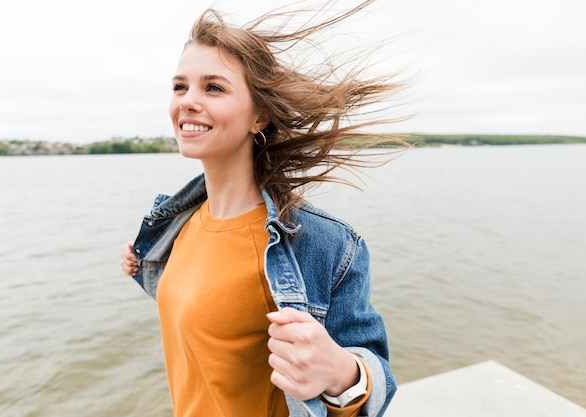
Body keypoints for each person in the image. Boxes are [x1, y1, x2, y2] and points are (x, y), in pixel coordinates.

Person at [120, 2, 407, 416]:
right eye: (180, 86)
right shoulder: (176, 225)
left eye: (213, 88)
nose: (187, 101)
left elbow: (377, 382)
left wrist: (341, 371)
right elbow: (210, 312)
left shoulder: (321, 243)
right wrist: (143, 264)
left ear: (260, 116)